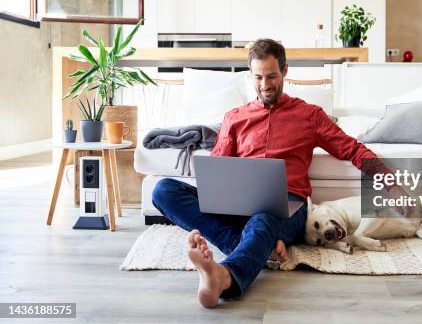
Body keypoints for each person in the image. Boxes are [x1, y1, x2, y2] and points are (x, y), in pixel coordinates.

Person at [152, 38, 404, 308]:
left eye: (271, 76)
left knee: (263, 219)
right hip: (238, 205)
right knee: (164, 190)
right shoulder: (235, 118)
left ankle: (225, 277)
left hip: (288, 207)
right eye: (258, 77)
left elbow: (351, 148)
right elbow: (219, 168)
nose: (264, 85)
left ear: (285, 70)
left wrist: (392, 184)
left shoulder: (310, 115)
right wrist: (218, 194)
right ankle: (260, 247)